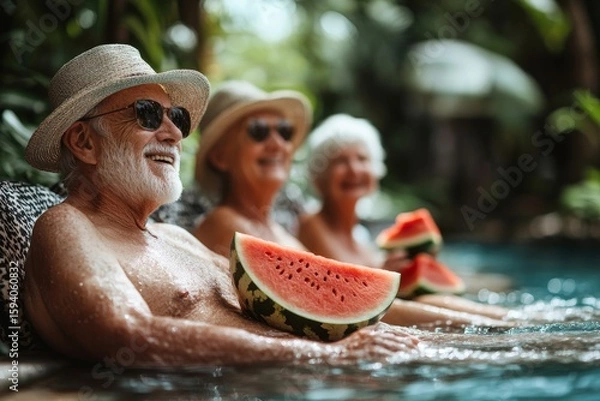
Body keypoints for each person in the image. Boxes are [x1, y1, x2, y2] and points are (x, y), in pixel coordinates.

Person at [22, 45, 419, 367]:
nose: (175, 132)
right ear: (83, 143)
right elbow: (129, 336)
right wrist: (328, 355)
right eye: (146, 114)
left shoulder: (176, 237)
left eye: (176, 116)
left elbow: (293, 305)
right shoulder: (65, 226)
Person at [297, 114, 512, 326]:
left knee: (482, 291)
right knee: (433, 302)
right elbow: (352, 289)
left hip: (391, 312)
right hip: (366, 319)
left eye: (362, 159)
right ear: (320, 175)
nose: (354, 169)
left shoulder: (360, 235)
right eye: (341, 161)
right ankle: (515, 326)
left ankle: (515, 321)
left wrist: (418, 265)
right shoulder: (311, 224)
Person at [192, 80, 309, 257]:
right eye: (258, 130)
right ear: (220, 157)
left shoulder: (285, 236)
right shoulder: (221, 223)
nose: (277, 144)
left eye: (284, 131)